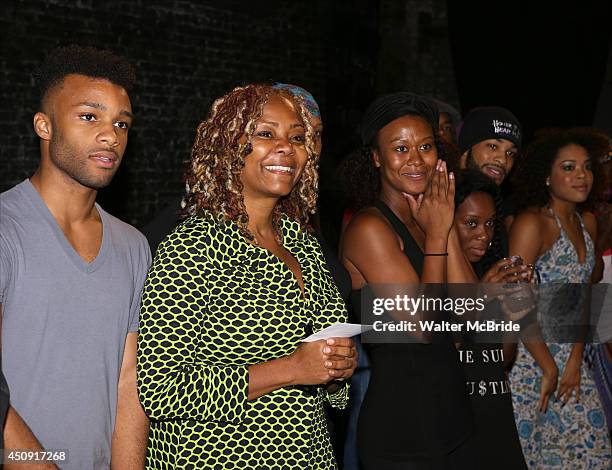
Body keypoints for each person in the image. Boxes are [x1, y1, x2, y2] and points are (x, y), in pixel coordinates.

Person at [137, 84, 357, 469]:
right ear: (228, 145)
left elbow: (325, 377)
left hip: (310, 456)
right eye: (265, 134)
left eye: (298, 137)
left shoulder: (302, 244)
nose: (286, 147)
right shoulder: (194, 245)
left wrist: (337, 371)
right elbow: (159, 388)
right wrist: (292, 368)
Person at [0, 45, 150, 469]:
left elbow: (128, 382)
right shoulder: (6, 229)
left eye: (122, 123)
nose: (110, 135)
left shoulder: (133, 246)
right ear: (44, 126)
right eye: (89, 117)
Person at [340, 92, 474, 469]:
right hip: (404, 431)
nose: (416, 160)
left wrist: (443, 228)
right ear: (377, 158)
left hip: (454, 418)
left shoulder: (431, 218)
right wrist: (437, 236)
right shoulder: (370, 228)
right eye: (400, 148)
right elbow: (423, 327)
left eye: (426, 146)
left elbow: (473, 316)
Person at [508, 129, 612, 468]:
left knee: (593, 455)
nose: (581, 175)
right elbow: (513, 297)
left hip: (572, 361)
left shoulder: (589, 223)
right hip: (530, 360)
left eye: (586, 167)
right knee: (534, 457)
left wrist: (574, 359)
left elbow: (585, 296)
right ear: (547, 177)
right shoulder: (532, 223)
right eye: (568, 167)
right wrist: (548, 365)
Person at [450, 169, 529, 469]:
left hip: (493, 411)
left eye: (489, 223)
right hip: (457, 419)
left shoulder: (488, 270)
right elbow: (443, 347)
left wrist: (513, 313)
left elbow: (502, 358)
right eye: (471, 223)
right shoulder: (428, 272)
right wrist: (482, 295)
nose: (483, 234)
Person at [457, 106, 522, 186]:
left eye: (510, 153)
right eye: (493, 146)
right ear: (466, 149)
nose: (503, 160)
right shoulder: (441, 196)